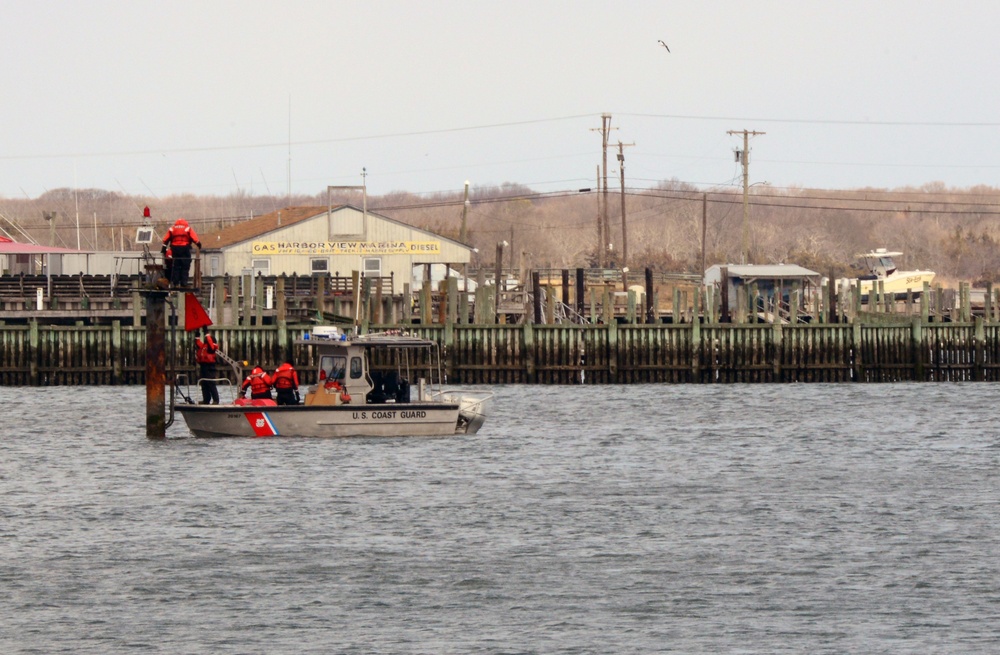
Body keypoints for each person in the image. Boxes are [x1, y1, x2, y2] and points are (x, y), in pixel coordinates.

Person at [161, 217, 201, 288]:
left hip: (175, 249)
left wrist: (164, 248)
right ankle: (184, 283)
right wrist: (198, 244)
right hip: (185, 248)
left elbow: (166, 239)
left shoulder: (172, 228)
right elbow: (194, 237)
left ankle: (175, 283)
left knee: (176, 266)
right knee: (185, 266)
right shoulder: (187, 228)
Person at [195, 332, 220, 405]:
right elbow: (198, 343)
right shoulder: (203, 346)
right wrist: (197, 336)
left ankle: (216, 400)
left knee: (211, 383)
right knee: (204, 383)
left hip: (210, 366)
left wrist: (207, 333)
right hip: (203, 366)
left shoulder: (212, 347)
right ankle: (206, 400)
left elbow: (210, 344)